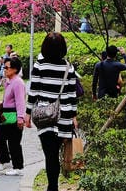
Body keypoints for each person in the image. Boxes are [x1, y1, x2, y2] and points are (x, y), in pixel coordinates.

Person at [27, 33, 79, 191]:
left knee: (50, 155)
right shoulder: (68, 67)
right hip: (64, 116)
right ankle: (53, 186)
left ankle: (53, 187)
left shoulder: (39, 66)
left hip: (45, 115)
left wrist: (28, 114)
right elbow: (72, 94)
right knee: (54, 153)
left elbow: (33, 91)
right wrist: (74, 116)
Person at [0, 57, 26, 177]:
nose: (4, 69)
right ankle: (5, 162)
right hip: (6, 115)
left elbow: (20, 101)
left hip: (14, 116)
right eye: (4, 67)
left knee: (14, 142)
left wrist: (20, 118)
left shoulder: (18, 82)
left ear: (15, 69)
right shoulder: (8, 82)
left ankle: (18, 167)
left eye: (7, 67)